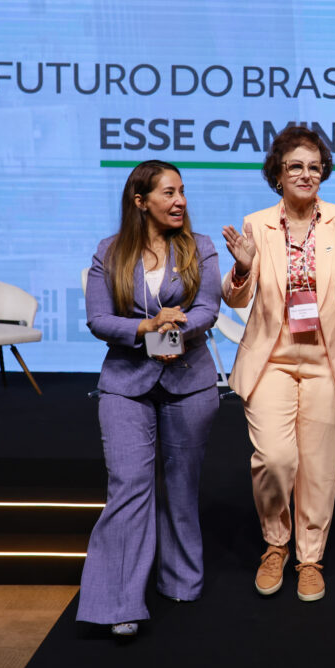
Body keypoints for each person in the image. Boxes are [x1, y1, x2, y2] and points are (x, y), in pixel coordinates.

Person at [221, 125, 335, 603]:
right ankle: (275, 542)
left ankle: (309, 557)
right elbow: (235, 297)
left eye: (314, 166)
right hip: (273, 357)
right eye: (296, 167)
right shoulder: (257, 223)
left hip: (329, 357)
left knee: (319, 467)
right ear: (278, 175)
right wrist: (243, 267)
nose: (307, 174)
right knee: (275, 459)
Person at [78, 160, 222, 637]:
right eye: (168, 193)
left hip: (190, 380)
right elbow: (99, 319)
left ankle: (181, 581)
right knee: (130, 485)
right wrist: (146, 326)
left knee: (182, 485)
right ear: (140, 202)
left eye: (181, 191)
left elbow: (208, 307)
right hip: (126, 383)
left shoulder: (199, 247)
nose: (180, 200)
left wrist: (179, 323)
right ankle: (119, 602)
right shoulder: (110, 252)